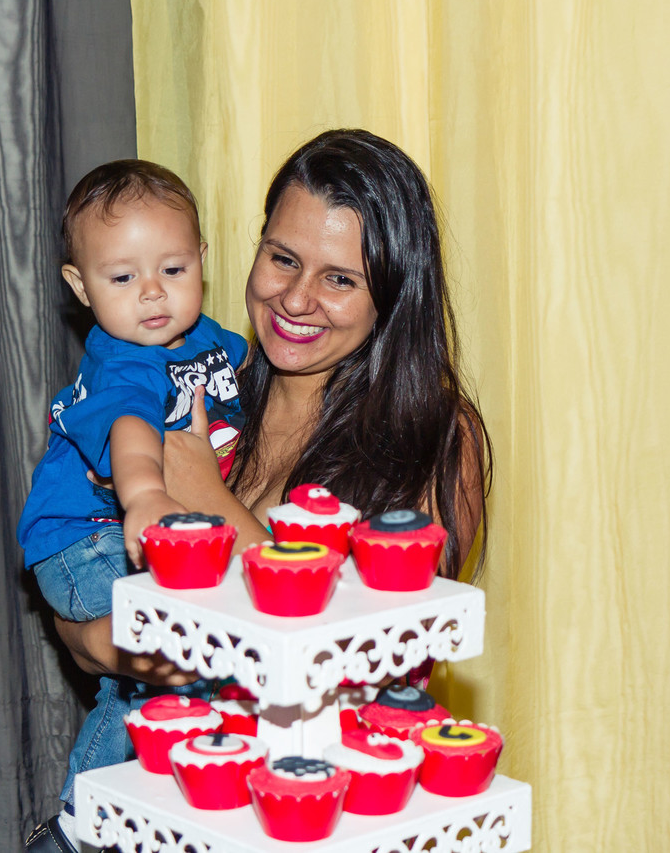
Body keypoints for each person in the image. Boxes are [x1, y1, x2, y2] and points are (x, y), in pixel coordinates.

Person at [45, 128, 493, 848]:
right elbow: (82, 621)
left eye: (339, 279)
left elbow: (372, 666)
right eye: (283, 258)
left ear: (392, 293)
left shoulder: (437, 434)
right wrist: (135, 647)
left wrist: (209, 499)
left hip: (310, 817)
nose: (295, 298)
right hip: (165, 797)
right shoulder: (209, 386)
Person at [19, 160, 248, 853]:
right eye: (122, 278)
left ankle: (136, 804)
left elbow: (236, 378)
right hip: (85, 540)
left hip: (121, 531)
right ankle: (82, 817)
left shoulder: (209, 342)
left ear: (202, 259)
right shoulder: (122, 362)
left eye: (173, 270)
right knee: (167, 661)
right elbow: (131, 431)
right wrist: (146, 493)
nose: (152, 292)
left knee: (167, 680)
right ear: (79, 286)